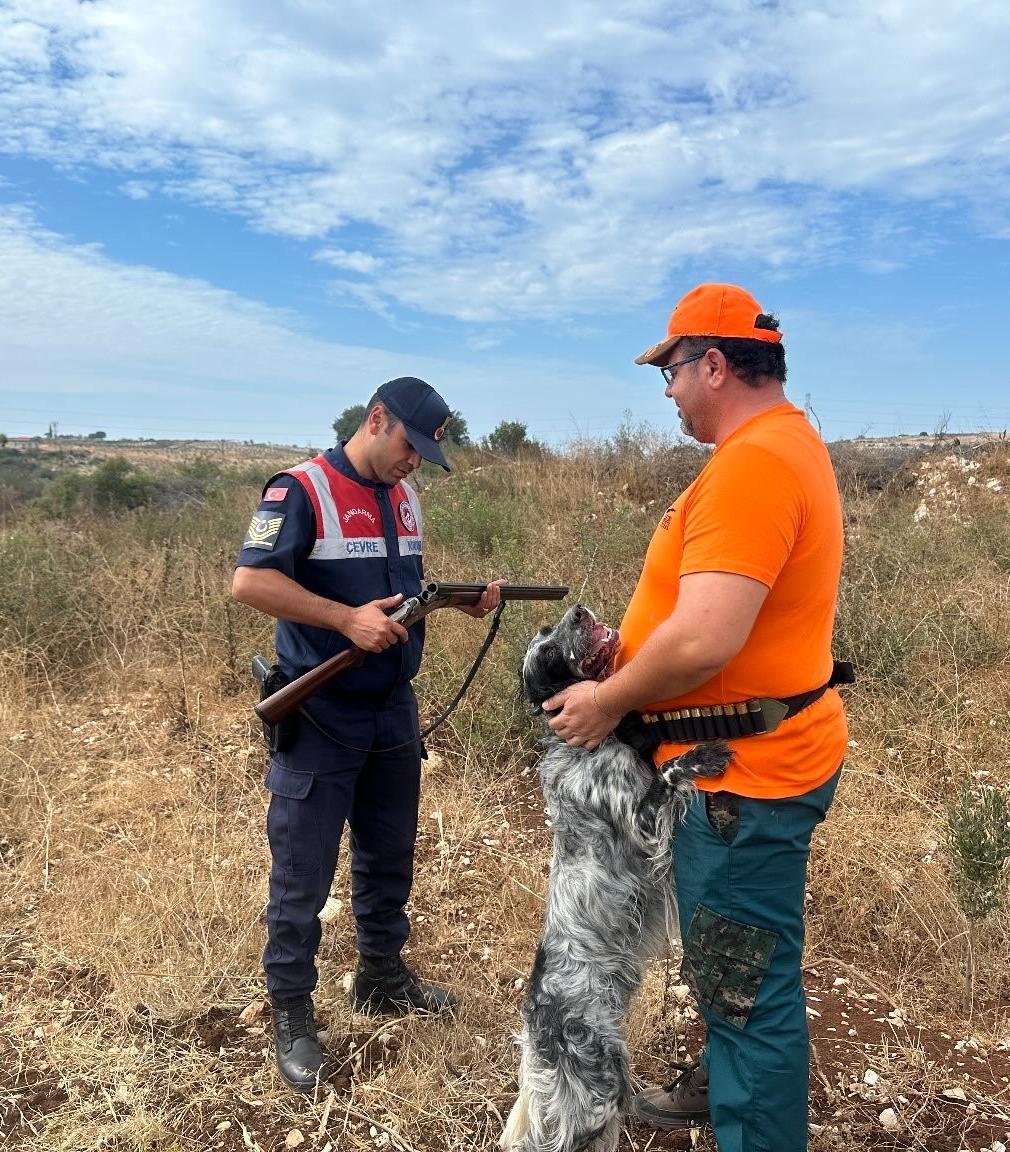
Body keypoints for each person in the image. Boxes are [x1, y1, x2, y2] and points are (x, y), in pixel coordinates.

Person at [543, 284, 848, 1152]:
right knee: (734, 964)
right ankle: (724, 1088)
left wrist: (607, 700)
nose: (668, 390)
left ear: (714, 364)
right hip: (748, 756)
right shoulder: (783, 444)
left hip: (739, 779)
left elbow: (708, 637)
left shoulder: (753, 465)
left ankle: (750, 1114)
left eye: (672, 371)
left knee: (744, 989)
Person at [230, 377, 499, 1094]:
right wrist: (344, 620)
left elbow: (403, 592)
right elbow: (250, 583)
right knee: (303, 874)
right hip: (321, 715)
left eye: (426, 455)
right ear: (377, 420)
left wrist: (459, 602)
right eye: (410, 446)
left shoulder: (403, 496)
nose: (416, 464)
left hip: (391, 711)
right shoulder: (300, 489)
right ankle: (291, 1008)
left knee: (389, 855)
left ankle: (381, 974)